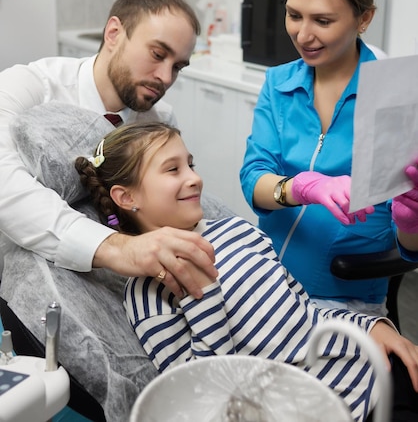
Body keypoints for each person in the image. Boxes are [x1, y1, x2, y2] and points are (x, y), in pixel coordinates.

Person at [75, 121, 418, 422]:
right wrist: (203, 295)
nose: (195, 178)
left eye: (190, 164)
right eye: (172, 169)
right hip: (308, 408)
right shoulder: (148, 293)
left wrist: (372, 326)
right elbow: (202, 398)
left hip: (368, 370)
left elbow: (307, 311)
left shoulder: (238, 231)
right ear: (126, 197)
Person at [0, 0, 217, 299]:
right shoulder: (29, 87)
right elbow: (4, 185)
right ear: (114, 33)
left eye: (178, 67)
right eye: (157, 54)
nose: (166, 77)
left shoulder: (159, 120)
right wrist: (117, 248)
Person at [239, 0, 418, 317]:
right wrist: (301, 187)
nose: (303, 35)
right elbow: (254, 180)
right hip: (268, 283)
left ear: (364, 18)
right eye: (293, 15)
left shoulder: (397, 97)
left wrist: (411, 222)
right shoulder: (279, 83)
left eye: (322, 21)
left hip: (347, 300)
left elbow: (408, 246)